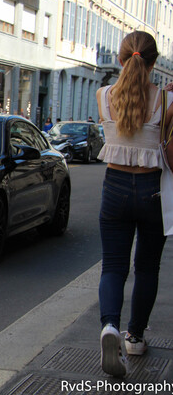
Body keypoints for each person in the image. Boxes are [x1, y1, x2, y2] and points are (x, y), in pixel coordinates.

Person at [96, 31, 173, 377]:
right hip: (152, 190)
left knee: (113, 266)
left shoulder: (102, 96)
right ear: (154, 63)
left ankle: (109, 326)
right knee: (147, 268)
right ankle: (134, 336)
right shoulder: (165, 101)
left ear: (120, 60)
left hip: (114, 188)